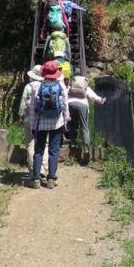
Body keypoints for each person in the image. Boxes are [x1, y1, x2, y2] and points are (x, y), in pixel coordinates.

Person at [30, 60, 70, 189]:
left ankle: (36, 179)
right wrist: (65, 122)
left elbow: (32, 108)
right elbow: (65, 107)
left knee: (39, 150)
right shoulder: (61, 86)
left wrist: (32, 124)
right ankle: (51, 179)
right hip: (56, 123)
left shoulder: (37, 87)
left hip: (40, 123)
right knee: (54, 150)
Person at [66, 75, 105, 162]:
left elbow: (64, 95)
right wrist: (103, 100)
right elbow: (94, 97)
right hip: (82, 105)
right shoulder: (86, 88)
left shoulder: (70, 88)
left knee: (72, 125)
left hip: (70, 104)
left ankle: (73, 143)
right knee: (84, 128)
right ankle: (86, 149)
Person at [17, 65, 43, 172]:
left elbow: (23, 103)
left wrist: (20, 117)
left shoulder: (28, 87)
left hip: (29, 119)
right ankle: (42, 169)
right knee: (43, 144)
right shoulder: (44, 86)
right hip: (42, 120)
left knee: (30, 144)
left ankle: (32, 167)